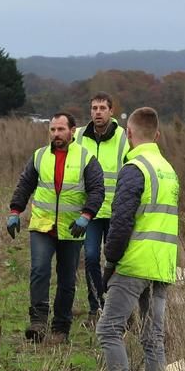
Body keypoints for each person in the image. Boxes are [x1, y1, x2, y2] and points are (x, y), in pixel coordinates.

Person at [88, 107, 179, 371]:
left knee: (109, 329)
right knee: (153, 339)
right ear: (157, 135)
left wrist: (110, 263)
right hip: (163, 265)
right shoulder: (167, 169)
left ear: (129, 134)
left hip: (134, 263)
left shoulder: (134, 168)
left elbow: (121, 221)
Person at [6, 112, 103, 344]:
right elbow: (25, 184)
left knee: (67, 279)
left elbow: (97, 190)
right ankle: (38, 322)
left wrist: (87, 215)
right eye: (53, 130)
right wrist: (14, 211)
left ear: (72, 131)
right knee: (39, 270)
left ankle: (61, 328)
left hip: (72, 228)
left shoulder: (86, 158)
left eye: (61, 129)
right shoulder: (39, 156)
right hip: (42, 225)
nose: (56, 134)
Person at [74, 93, 128, 327]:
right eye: (94, 108)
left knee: (117, 261)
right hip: (91, 211)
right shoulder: (78, 137)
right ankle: (96, 306)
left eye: (102, 108)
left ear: (111, 111)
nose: (98, 112)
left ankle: (119, 309)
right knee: (92, 257)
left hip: (117, 211)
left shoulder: (123, 138)